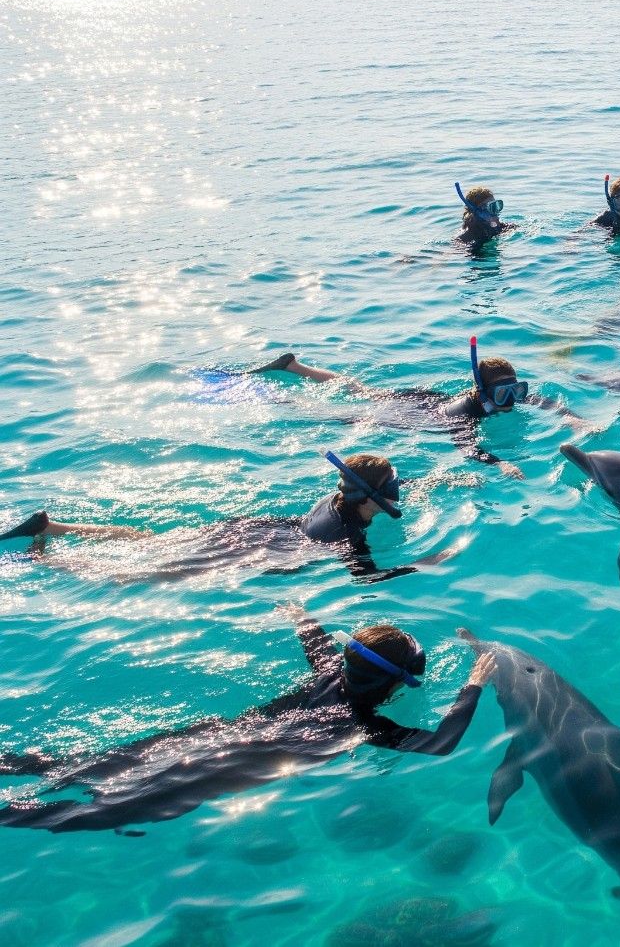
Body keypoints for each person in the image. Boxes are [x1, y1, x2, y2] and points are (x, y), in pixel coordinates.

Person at [0, 612, 496, 833]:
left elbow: (319, 649)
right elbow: (441, 744)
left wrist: (301, 615)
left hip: (213, 736)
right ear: (395, 688)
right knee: (89, 814)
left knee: (81, 765)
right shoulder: (367, 725)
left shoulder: (328, 679)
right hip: (226, 770)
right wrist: (473, 683)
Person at [0, 453, 453, 583]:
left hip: (256, 526)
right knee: (142, 574)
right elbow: (366, 582)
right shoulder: (352, 533)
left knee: (145, 538)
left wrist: (434, 482)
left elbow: (381, 489)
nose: (398, 491)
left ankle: (53, 526)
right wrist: (421, 564)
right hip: (260, 547)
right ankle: (46, 560)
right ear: (370, 497)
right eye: (392, 487)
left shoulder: (342, 501)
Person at [247, 339, 589, 480]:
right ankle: (284, 400)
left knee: (364, 391)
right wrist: (500, 463)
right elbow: (466, 446)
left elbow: (540, 400)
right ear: (484, 391)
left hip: (427, 398)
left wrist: (572, 418)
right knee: (347, 411)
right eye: (504, 394)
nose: (513, 399)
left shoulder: (504, 395)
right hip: (413, 416)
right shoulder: (465, 414)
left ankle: (295, 367)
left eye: (516, 389)